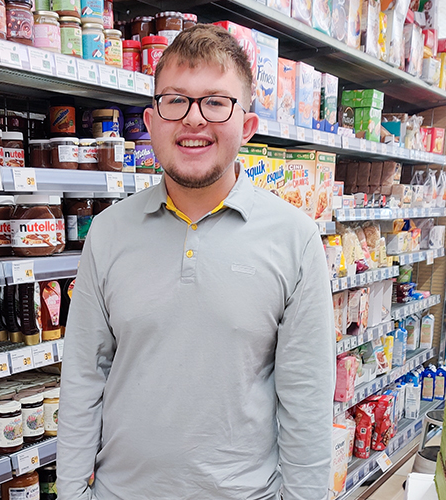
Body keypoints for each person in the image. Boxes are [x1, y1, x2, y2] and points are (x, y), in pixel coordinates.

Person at [58, 24, 335, 500]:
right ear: (150, 121)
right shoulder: (108, 233)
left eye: (215, 102)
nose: (193, 119)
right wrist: (70, 491)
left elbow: (306, 403)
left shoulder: (296, 239)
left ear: (246, 125)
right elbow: (84, 377)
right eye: (175, 101)